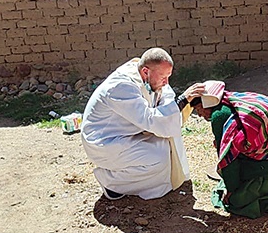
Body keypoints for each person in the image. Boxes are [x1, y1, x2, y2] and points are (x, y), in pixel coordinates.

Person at [80, 48, 204, 200]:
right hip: (105, 143)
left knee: (166, 148)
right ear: (145, 71)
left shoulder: (148, 76)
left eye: (168, 76)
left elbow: (166, 95)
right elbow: (150, 119)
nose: (166, 82)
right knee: (157, 159)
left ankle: (151, 180)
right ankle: (111, 182)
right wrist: (182, 100)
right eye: (163, 77)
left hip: (126, 135)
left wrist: (173, 106)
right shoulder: (122, 86)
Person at [190, 81, 268, 219]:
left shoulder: (219, 116)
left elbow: (228, 159)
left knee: (236, 201)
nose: (200, 115)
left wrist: (232, 189)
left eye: (198, 109)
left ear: (206, 103)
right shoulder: (235, 99)